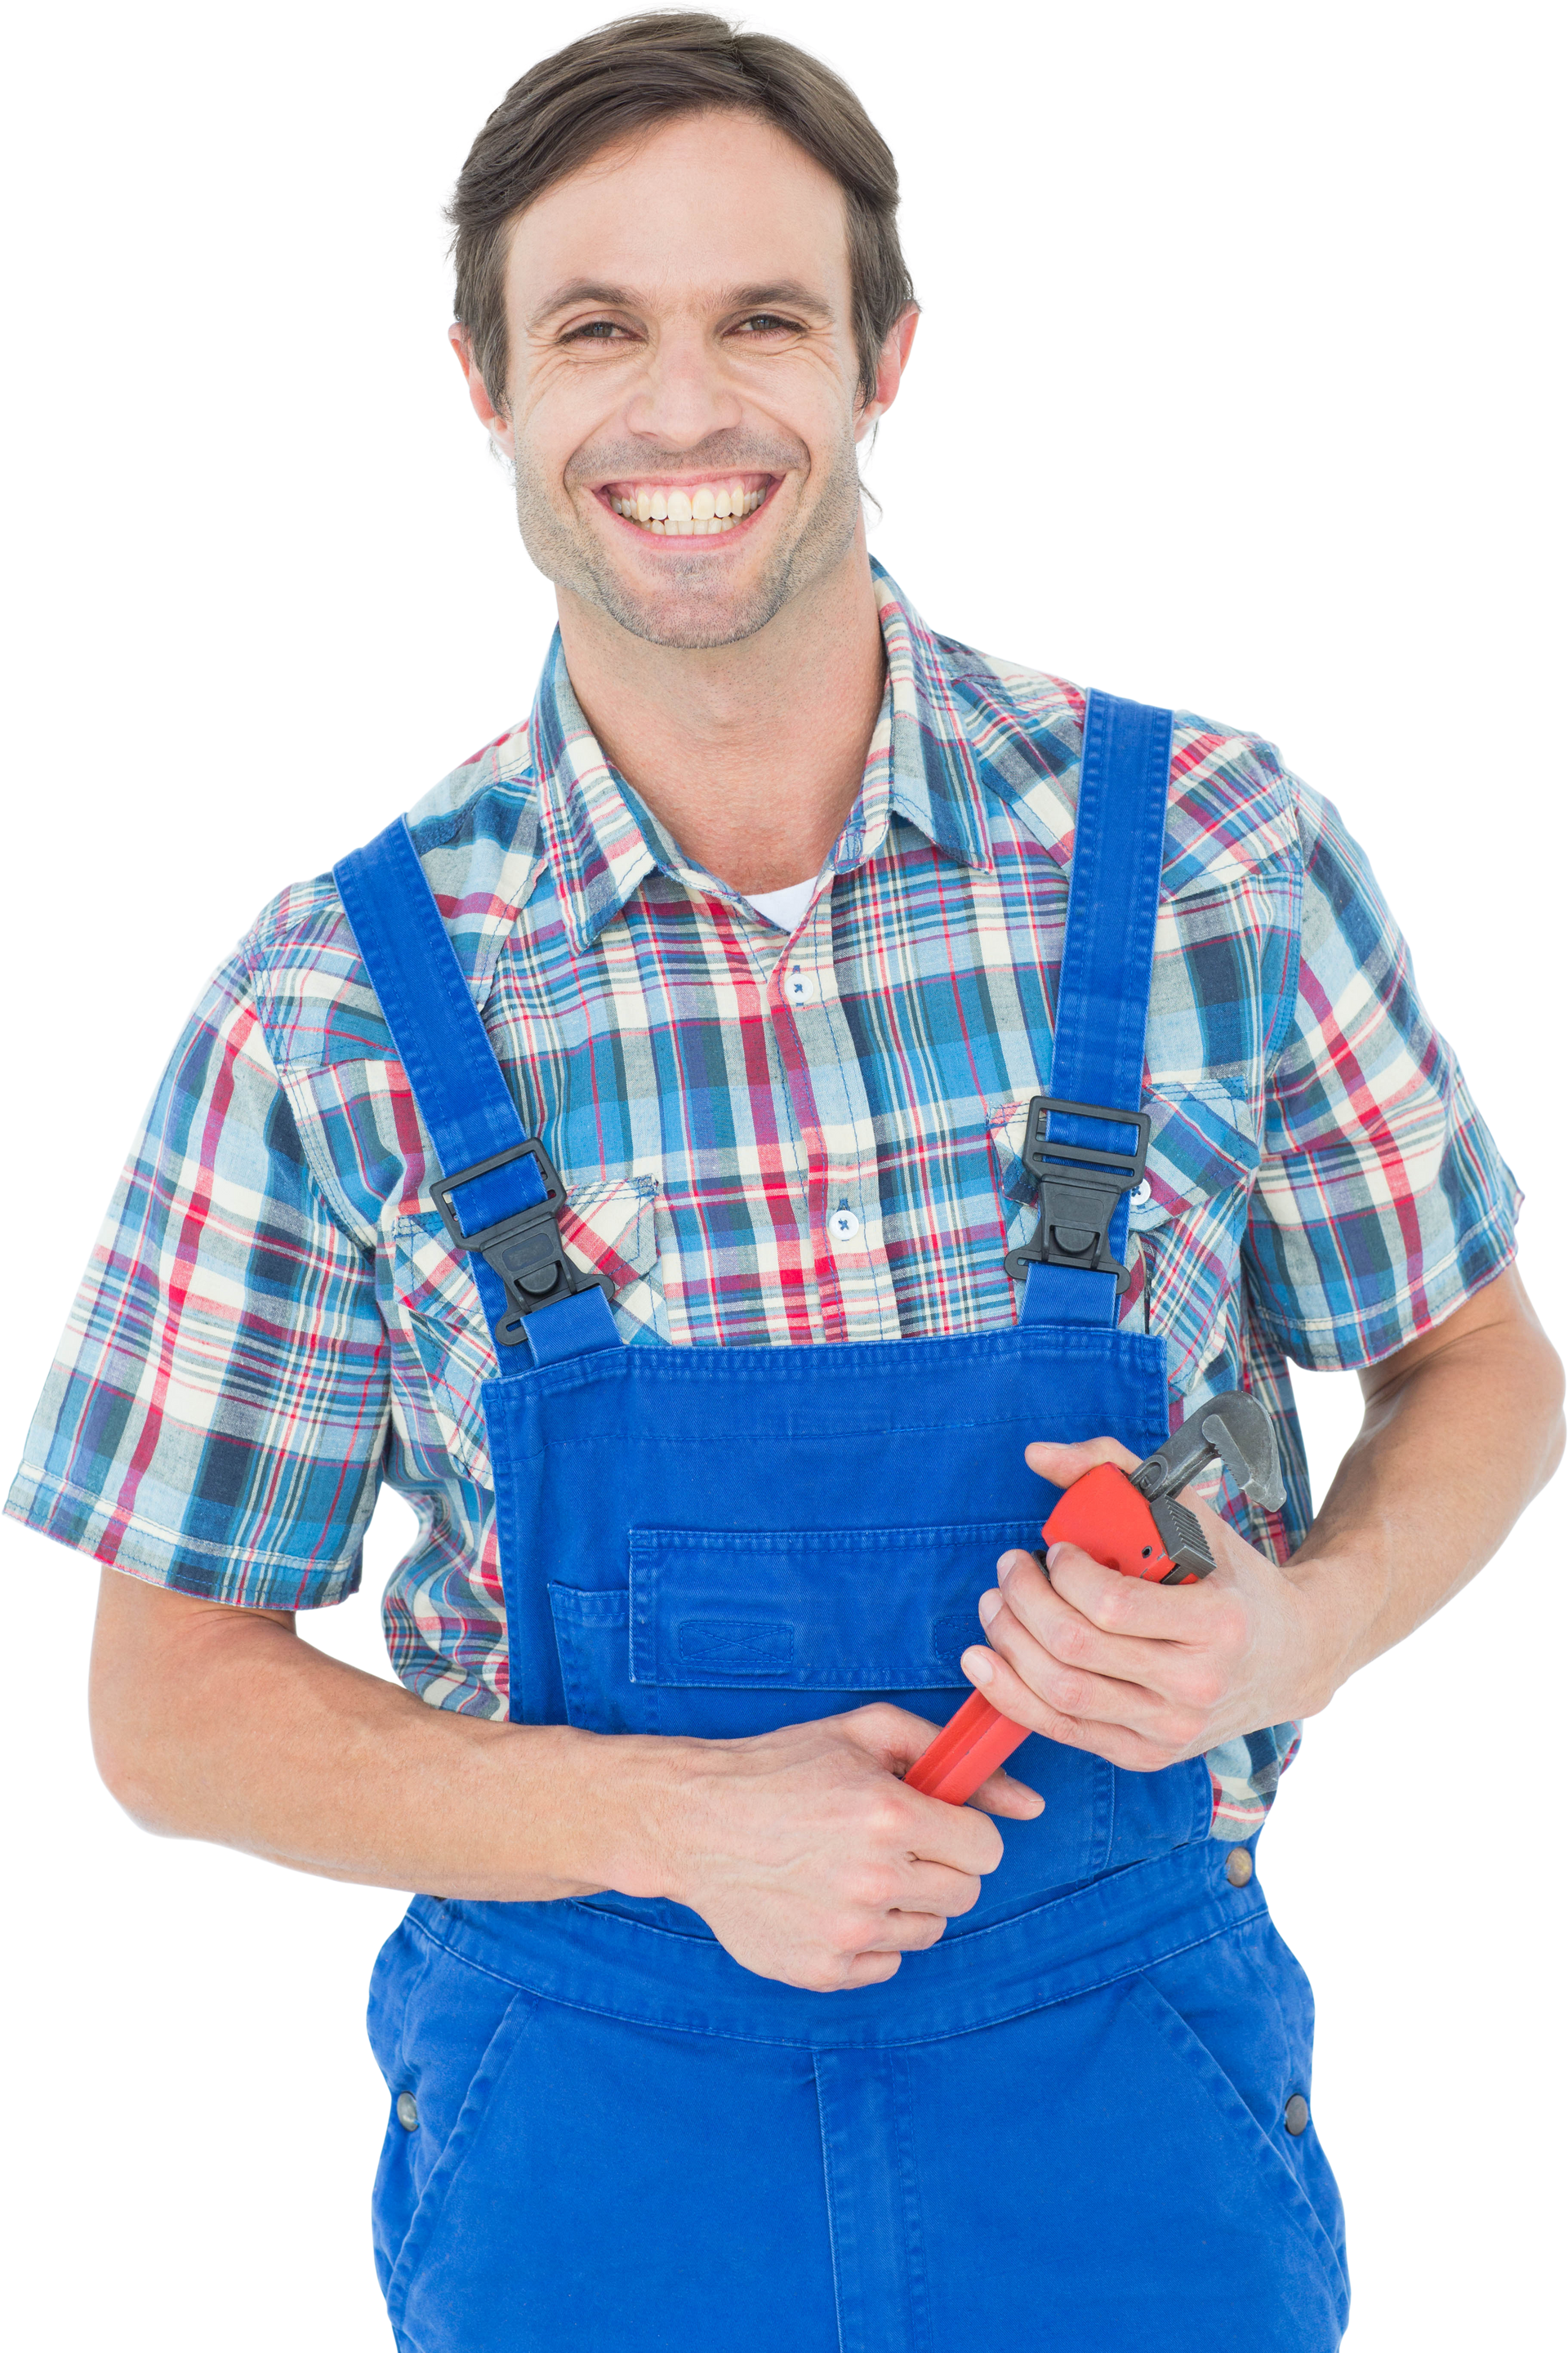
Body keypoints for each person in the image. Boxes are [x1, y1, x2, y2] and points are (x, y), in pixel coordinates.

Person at [9, 9, 1561, 2349]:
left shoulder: (1211, 854)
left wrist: (1288, 1630)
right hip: (594, 2184)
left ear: (884, 362)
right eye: (598, 328)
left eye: (763, 319)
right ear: (486, 393)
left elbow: (1483, 1369)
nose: (684, 407)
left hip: (1126, 2139)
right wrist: (676, 1824)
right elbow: (169, 1709)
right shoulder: (330, 1000)